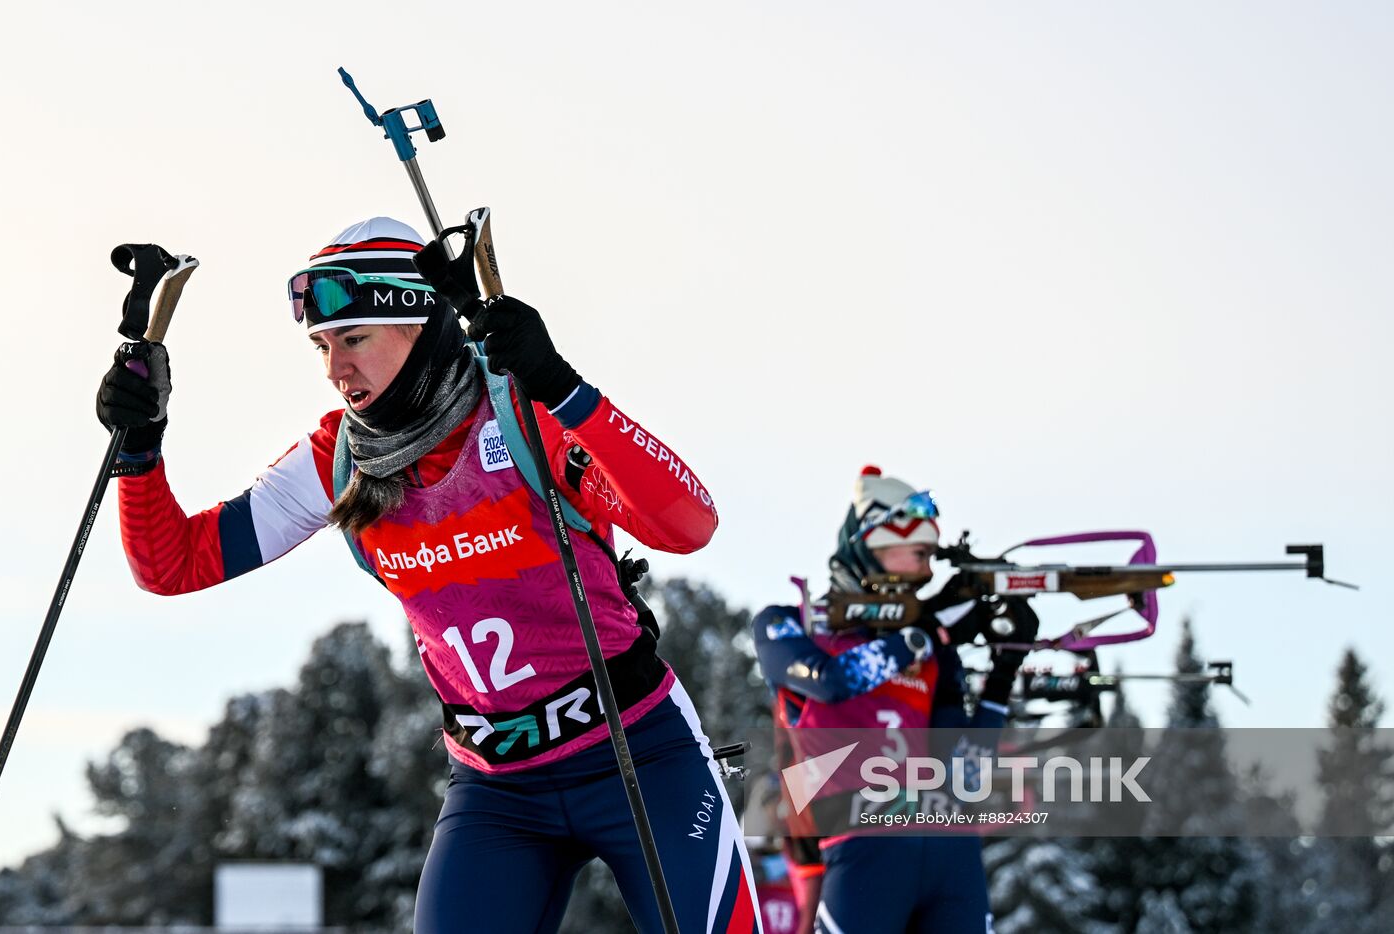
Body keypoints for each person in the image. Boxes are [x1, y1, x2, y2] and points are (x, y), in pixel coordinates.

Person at [96, 217, 762, 933]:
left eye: (353, 339)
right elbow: (172, 565)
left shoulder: (519, 413)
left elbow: (688, 526)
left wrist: (562, 387)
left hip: (640, 754)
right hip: (499, 793)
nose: (333, 368)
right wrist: (140, 448)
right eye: (321, 345)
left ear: (419, 324)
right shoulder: (340, 459)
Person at [752, 466, 1036, 934]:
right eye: (920, 553)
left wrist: (1004, 672)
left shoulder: (931, 651)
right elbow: (833, 681)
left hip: (950, 848)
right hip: (862, 841)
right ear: (871, 540)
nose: (928, 571)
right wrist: (929, 634)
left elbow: (964, 774)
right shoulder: (791, 623)